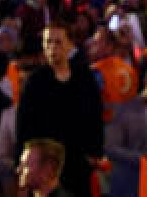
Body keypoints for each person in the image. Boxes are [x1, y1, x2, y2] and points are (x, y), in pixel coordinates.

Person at [15, 24, 101, 197]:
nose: (52, 48)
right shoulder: (35, 81)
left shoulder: (84, 76)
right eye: (48, 43)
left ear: (69, 45)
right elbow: (23, 125)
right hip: (47, 165)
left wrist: (95, 152)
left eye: (58, 42)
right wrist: (24, 164)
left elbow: (95, 115)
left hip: (79, 160)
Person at [103, 65, 147, 197]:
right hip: (130, 184)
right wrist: (144, 159)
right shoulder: (123, 109)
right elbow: (110, 148)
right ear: (146, 83)